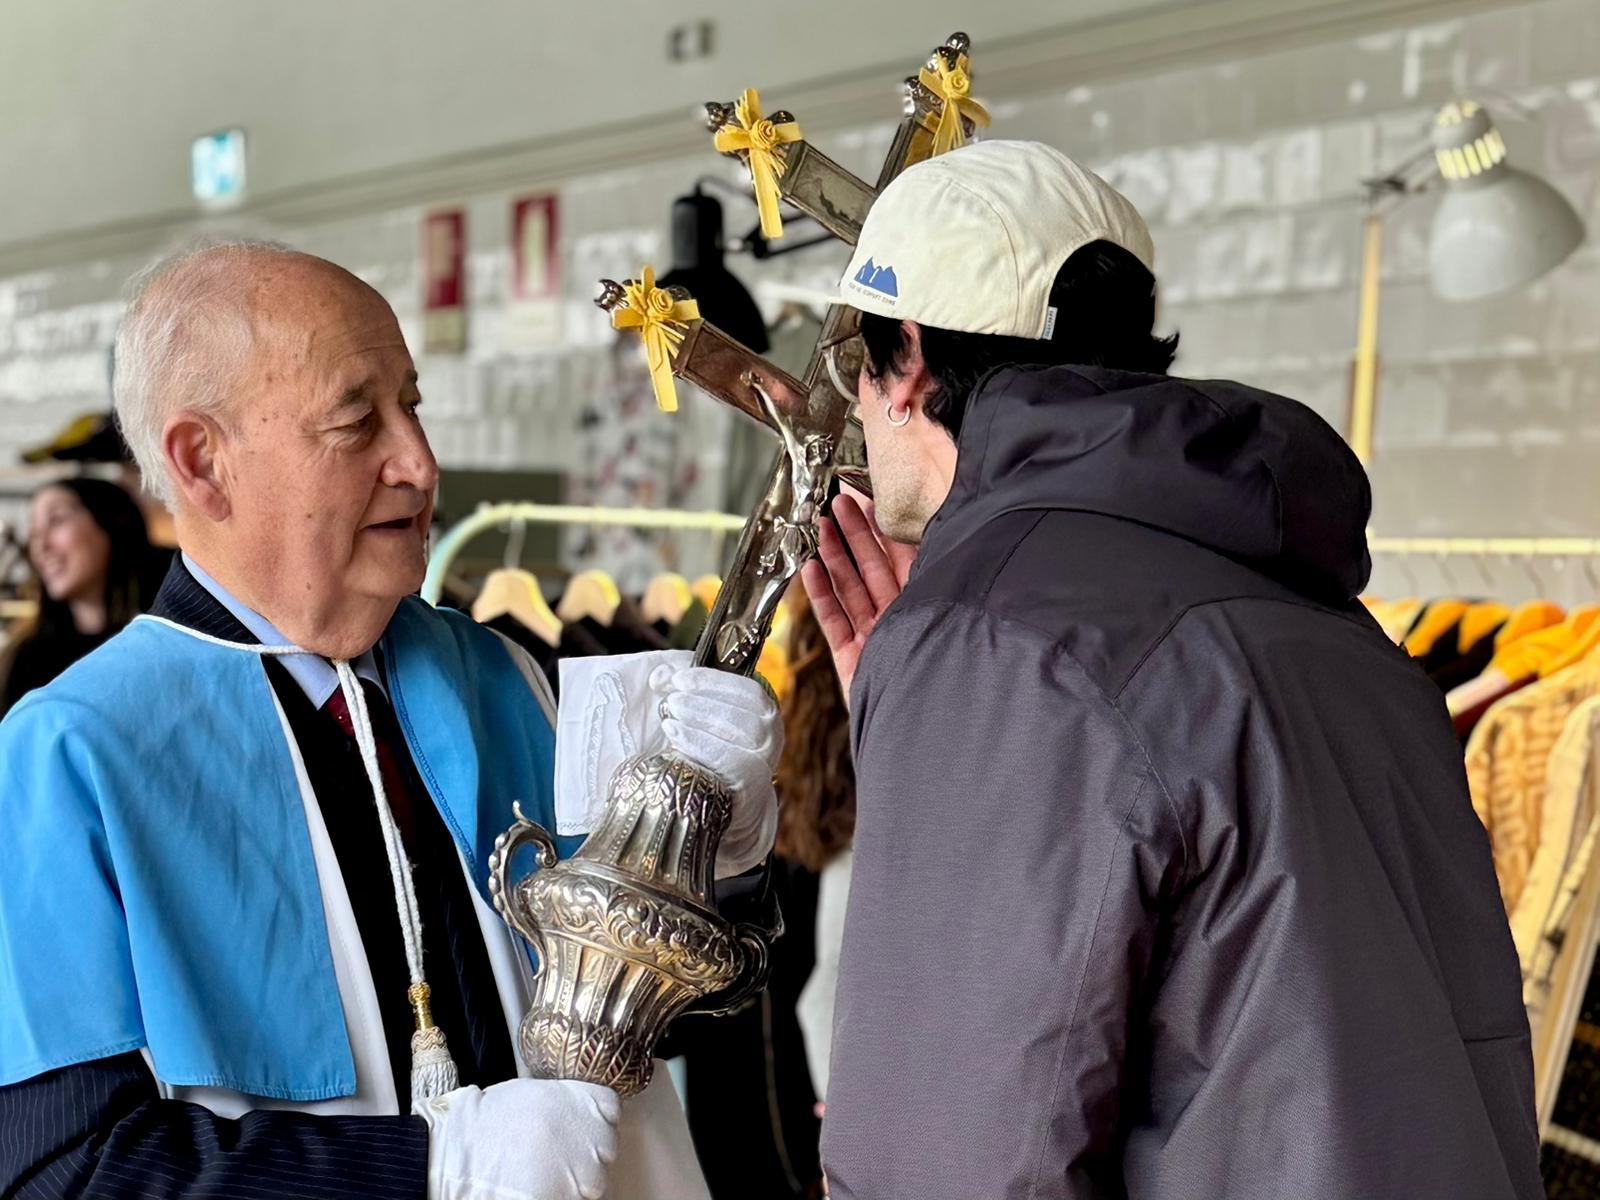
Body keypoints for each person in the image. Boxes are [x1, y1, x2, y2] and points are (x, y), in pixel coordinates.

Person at [795, 141, 1541, 1199]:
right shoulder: (1329, 622)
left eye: (854, 373)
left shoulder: (999, 641)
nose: (858, 413)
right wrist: (924, 728)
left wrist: (952, 701)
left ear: (906, 359)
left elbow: (954, 1158)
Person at [0, 240, 785, 1200]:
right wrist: (432, 1170)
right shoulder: (72, 755)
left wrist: (720, 861)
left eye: (411, 405)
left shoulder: (502, 677)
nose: (418, 461)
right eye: (355, 418)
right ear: (203, 463)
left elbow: (688, 1013)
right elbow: (59, 1169)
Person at [1, 477, 151, 715]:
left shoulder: (160, 642)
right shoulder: (26, 663)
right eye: (33, 532)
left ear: (110, 523)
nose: (41, 546)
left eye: (56, 520)